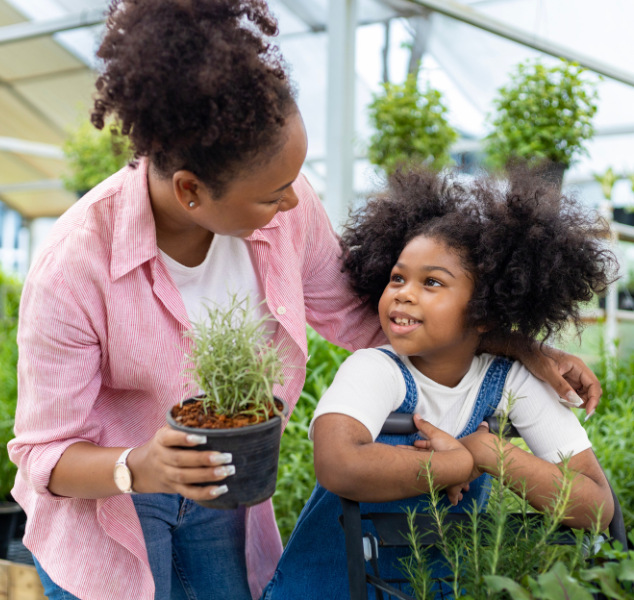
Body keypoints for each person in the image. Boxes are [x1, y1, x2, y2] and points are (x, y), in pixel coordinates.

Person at [7, 2, 602, 599]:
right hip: (110, 509)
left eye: (295, 180)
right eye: (273, 194)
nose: (293, 203)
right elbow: (44, 453)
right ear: (191, 189)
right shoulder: (76, 267)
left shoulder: (284, 215)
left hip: (224, 494)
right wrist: (140, 466)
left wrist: (521, 348)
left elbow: (363, 315)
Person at [260, 168, 617, 600]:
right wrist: (459, 464)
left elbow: (597, 507)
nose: (404, 293)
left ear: (484, 311)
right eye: (397, 277)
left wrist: (492, 452)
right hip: (326, 588)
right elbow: (339, 464)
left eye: (431, 282)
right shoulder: (375, 368)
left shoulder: (512, 380)